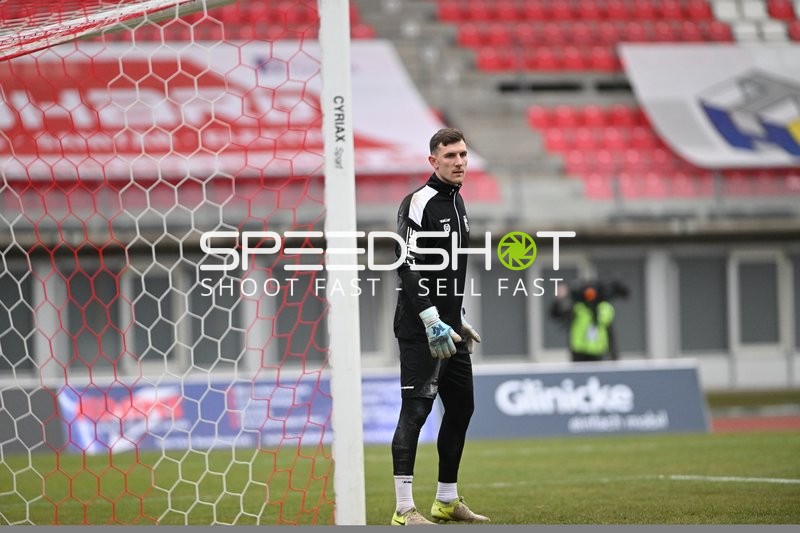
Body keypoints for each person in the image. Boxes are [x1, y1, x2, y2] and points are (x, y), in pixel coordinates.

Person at [389, 128, 489, 526]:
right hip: (420, 330)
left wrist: (457, 317)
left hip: (450, 328)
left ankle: (446, 500)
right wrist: (431, 318)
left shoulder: (459, 202)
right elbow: (405, 262)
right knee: (415, 410)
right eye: (450, 156)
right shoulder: (419, 202)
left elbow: (446, 270)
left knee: (463, 406)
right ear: (433, 161)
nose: (460, 161)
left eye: (463, 154)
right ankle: (403, 510)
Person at [549, 280, 628, 362]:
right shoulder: (577, 307)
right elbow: (556, 314)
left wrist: (614, 355)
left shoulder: (604, 308)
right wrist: (558, 300)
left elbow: (610, 332)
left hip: (599, 351)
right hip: (579, 351)